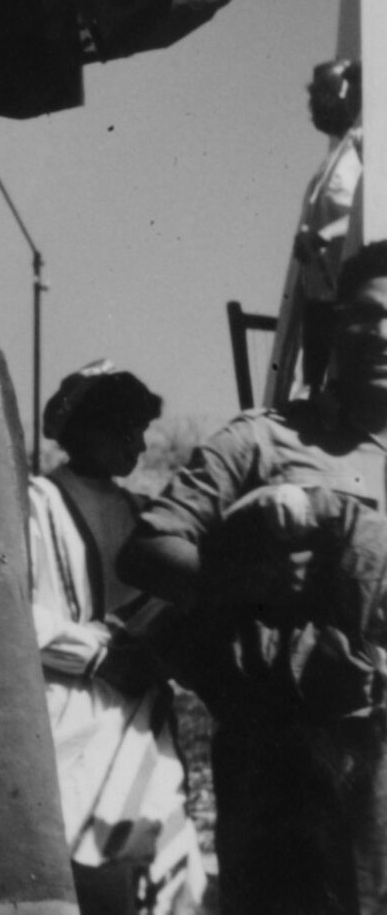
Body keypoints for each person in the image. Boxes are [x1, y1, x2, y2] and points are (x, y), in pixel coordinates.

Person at [125, 236, 387, 913]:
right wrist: (250, 579)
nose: (382, 333)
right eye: (366, 313)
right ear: (335, 326)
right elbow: (148, 550)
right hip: (284, 757)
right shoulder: (263, 439)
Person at [25, 362, 206, 914]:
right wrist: (96, 656)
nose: (139, 444)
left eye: (141, 429)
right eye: (127, 428)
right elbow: (11, 612)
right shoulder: (34, 502)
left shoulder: (140, 514)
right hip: (67, 710)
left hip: (138, 710)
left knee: (155, 860)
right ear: (87, 429)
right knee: (78, 863)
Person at [276, 58, 364, 396]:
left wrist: (324, 235)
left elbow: (375, 210)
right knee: (315, 399)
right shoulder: (335, 158)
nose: (316, 104)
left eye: (324, 94)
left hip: (353, 302)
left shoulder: (366, 144)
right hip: (321, 303)